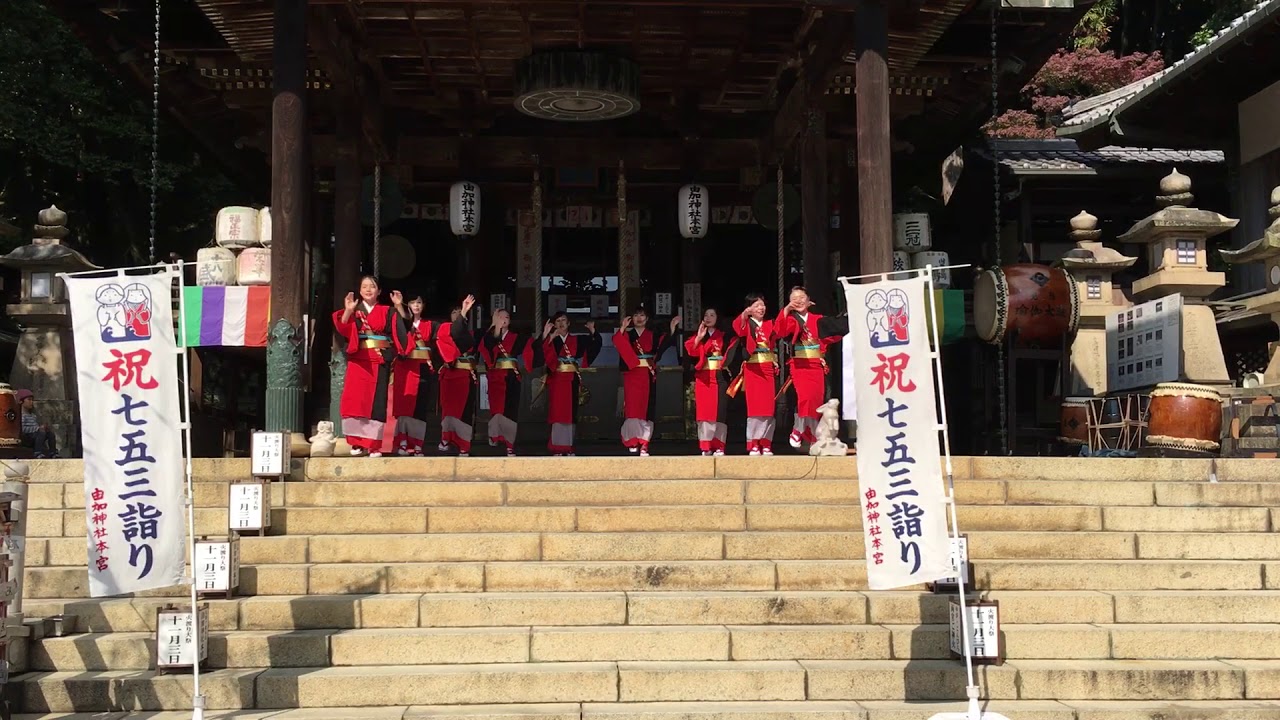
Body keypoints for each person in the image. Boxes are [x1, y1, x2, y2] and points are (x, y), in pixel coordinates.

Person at [333, 275, 408, 457]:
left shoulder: (388, 311)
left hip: (379, 359)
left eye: (372, 286)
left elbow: (402, 329)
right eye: (364, 286)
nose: (368, 290)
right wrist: (348, 311)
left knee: (376, 402)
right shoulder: (355, 310)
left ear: (379, 291)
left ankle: (374, 444)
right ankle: (357, 443)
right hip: (359, 360)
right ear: (359, 291)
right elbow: (343, 328)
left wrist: (399, 306)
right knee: (356, 401)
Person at [775, 286, 849, 449]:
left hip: (816, 365)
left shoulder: (818, 319)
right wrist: (786, 311)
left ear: (809, 301)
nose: (798, 301)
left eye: (802, 297)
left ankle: (812, 433)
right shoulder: (791, 320)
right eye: (794, 299)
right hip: (800, 366)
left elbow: (836, 330)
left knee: (816, 402)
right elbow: (780, 331)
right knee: (805, 398)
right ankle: (798, 429)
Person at [613, 307, 680, 456]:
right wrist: (622, 328)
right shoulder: (628, 335)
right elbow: (618, 342)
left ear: (647, 318)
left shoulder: (653, 335)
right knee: (632, 408)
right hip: (632, 373)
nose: (639, 318)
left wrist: (672, 328)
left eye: (642, 315)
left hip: (648, 374)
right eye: (636, 315)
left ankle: (644, 443)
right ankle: (632, 440)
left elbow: (664, 343)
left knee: (647, 408)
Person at [478, 308, 537, 456]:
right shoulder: (490, 336)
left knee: (511, 409)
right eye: (500, 317)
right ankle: (495, 435)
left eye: (507, 317)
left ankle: (510, 443)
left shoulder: (517, 338)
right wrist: (495, 328)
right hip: (496, 375)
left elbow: (531, 348)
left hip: (512, 376)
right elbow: (487, 346)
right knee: (497, 408)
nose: (503, 320)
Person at [542, 312, 601, 456]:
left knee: (570, 413)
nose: (561, 323)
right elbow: (541, 352)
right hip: (557, 379)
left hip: (572, 379)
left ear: (568, 323)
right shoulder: (552, 339)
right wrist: (547, 337)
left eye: (564, 320)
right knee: (558, 412)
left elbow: (594, 344)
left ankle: (568, 447)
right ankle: (557, 447)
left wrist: (593, 331)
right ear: (554, 325)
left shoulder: (577, 340)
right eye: (558, 321)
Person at [730, 293, 780, 455]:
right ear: (749, 308)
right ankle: (753, 443)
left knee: (768, 407)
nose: (761, 308)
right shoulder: (746, 323)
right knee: (755, 408)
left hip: (767, 367)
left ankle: (766, 443)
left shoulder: (769, 324)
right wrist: (744, 315)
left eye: (762, 305)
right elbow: (738, 329)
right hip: (752, 368)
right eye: (757, 305)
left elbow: (777, 337)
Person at [684, 308, 737, 457]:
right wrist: (699, 338)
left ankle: (719, 445)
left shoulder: (725, 336)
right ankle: (706, 445)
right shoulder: (698, 336)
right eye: (706, 315)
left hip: (720, 377)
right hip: (704, 378)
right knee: (705, 413)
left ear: (718, 318)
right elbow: (691, 352)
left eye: (712, 315)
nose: (708, 317)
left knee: (720, 412)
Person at [390, 295, 438, 456]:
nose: (416, 305)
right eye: (412, 302)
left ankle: (418, 444)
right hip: (405, 366)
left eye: (419, 302)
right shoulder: (400, 323)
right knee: (404, 405)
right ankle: (403, 442)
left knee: (420, 406)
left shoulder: (430, 325)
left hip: (423, 366)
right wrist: (398, 306)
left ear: (423, 305)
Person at [436, 296, 479, 456]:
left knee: (465, 411)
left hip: (465, 375)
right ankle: (446, 438)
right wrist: (464, 312)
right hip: (449, 375)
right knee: (448, 409)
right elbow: (454, 332)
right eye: (454, 312)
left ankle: (463, 445)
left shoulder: (470, 334)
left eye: (459, 311)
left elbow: (462, 335)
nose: (457, 314)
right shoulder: (444, 329)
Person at [17, 389, 58, 459]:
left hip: (35, 436)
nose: (31, 402)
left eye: (32, 400)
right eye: (29, 400)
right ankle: (37, 452)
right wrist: (37, 429)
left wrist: (42, 428)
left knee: (50, 433)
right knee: (41, 433)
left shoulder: (33, 415)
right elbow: (22, 429)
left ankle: (53, 452)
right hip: (26, 438)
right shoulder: (21, 416)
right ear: (21, 401)